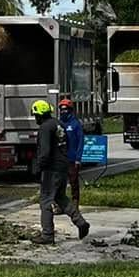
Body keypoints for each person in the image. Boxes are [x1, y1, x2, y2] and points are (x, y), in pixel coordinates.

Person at [34, 99, 89, 244]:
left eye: (35, 115)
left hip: (51, 169)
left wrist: (39, 167)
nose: (35, 119)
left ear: (40, 115)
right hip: (63, 166)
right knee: (61, 197)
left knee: (45, 200)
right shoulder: (59, 124)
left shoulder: (45, 128)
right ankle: (80, 222)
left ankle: (47, 234)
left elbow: (45, 152)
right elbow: (67, 144)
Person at [58, 94, 87, 209]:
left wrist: (78, 158)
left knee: (74, 182)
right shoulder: (59, 123)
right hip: (61, 159)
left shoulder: (75, 124)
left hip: (72, 159)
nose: (63, 112)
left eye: (65, 109)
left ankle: (75, 203)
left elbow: (80, 141)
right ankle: (61, 205)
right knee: (60, 183)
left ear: (70, 110)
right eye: (61, 109)